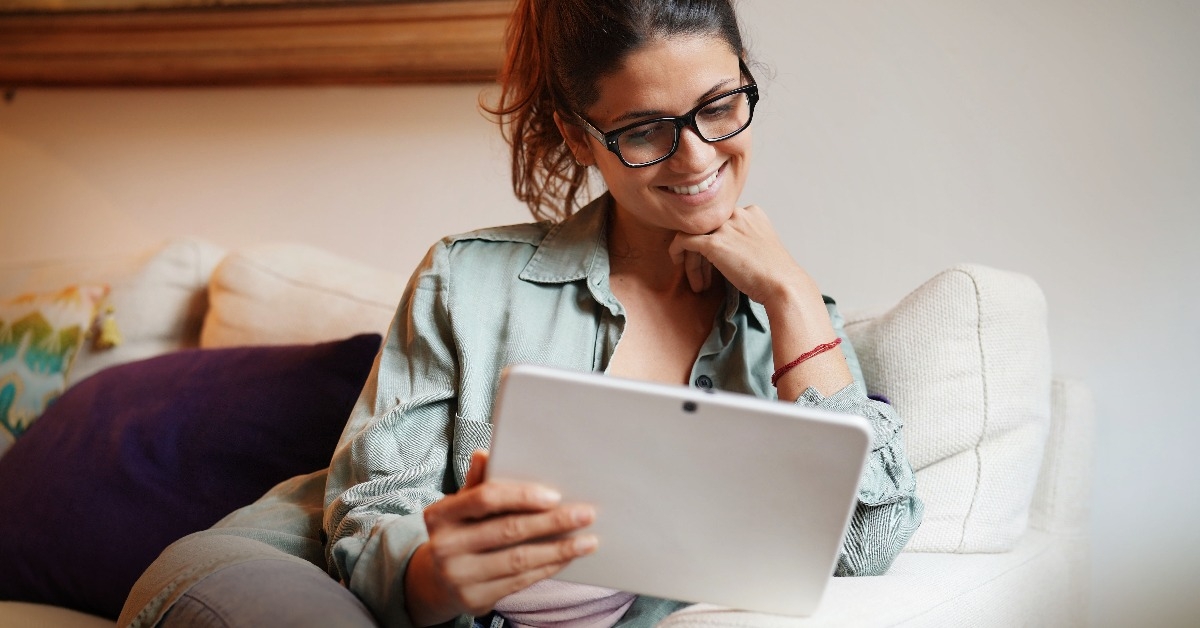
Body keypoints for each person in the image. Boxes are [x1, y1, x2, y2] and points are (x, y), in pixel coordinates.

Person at [124, 1, 921, 627]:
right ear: (582, 138)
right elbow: (366, 520)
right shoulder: (466, 276)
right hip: (283, 578)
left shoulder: (787, 330)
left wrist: (788, 293)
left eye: (719, 106)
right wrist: (438, 573)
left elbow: (868, 543)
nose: (698, 157)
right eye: (645, 130)